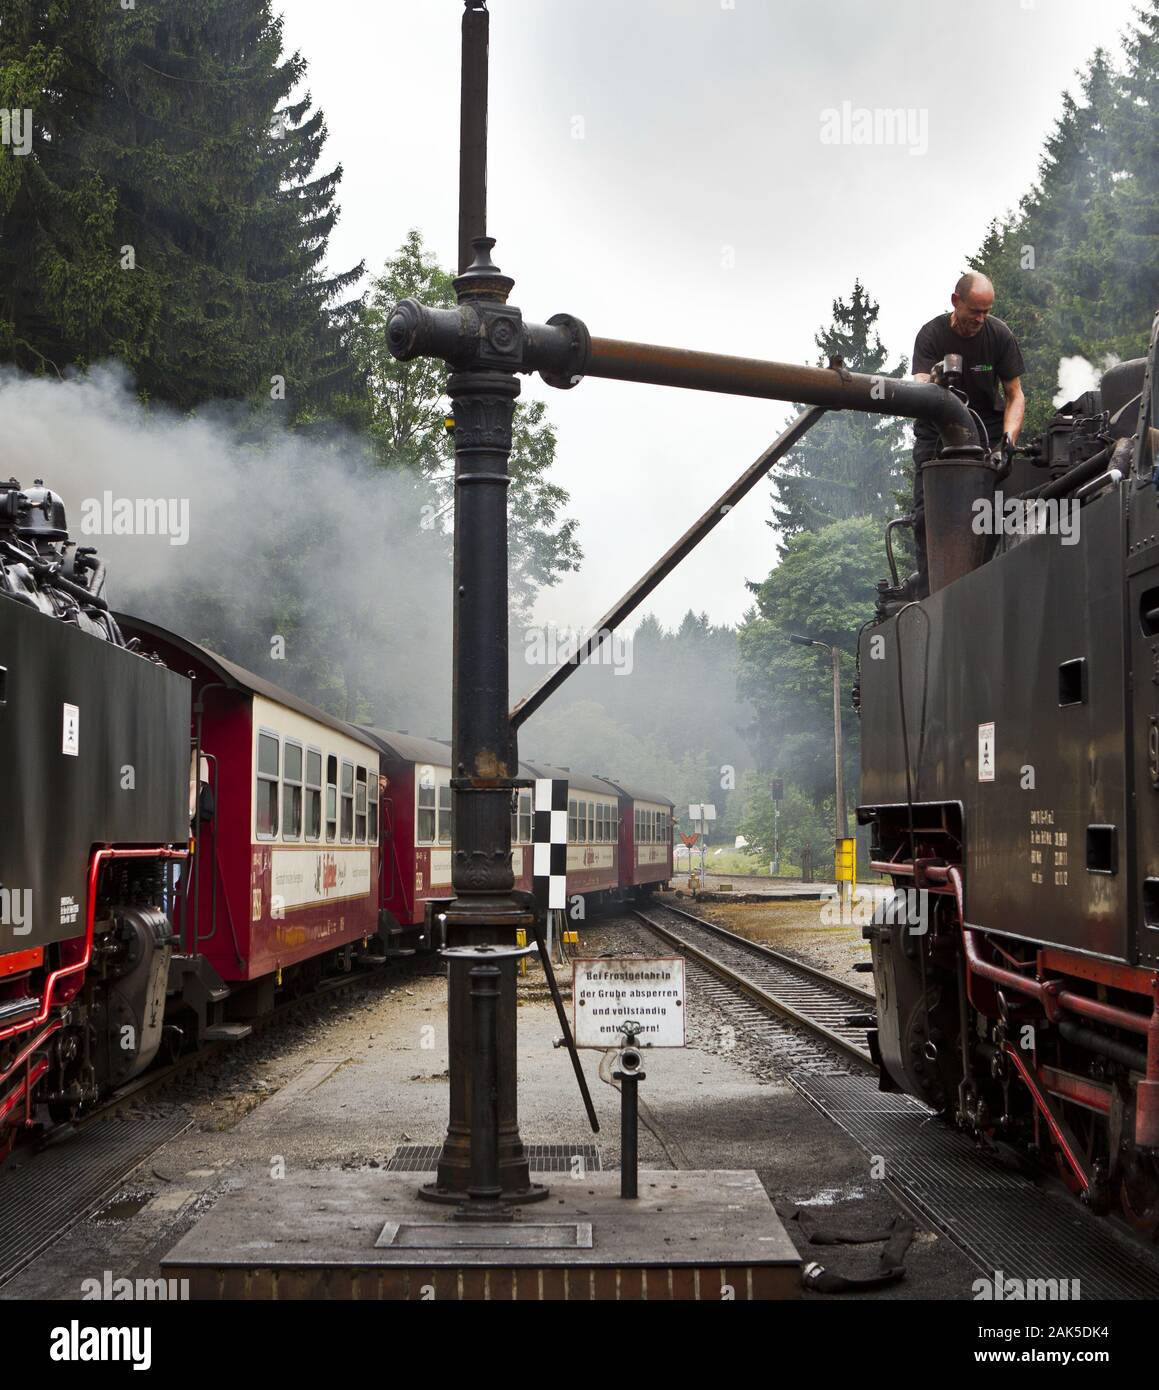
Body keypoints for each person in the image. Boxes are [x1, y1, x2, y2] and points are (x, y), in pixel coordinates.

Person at [909, 271, 1025, 595]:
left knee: (993, 514)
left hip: (986, 433)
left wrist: (1008, 442)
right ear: (955, 301)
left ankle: (981, 591)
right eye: (975, 311)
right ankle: (932, 598)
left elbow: (1015, 394)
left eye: (986, 312)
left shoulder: (999, 335)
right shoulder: (930, 335)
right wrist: (934, 379)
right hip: (935, 434)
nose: (980, 319)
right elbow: (917, 388)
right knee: (925, 519)